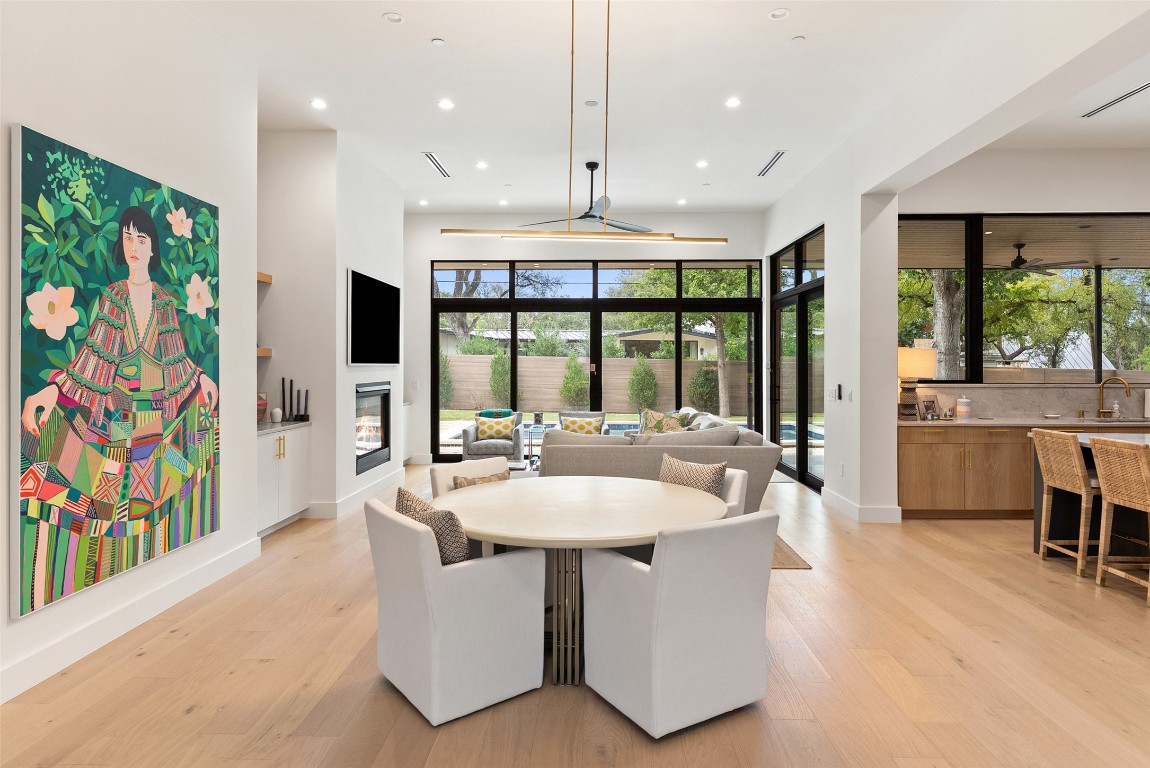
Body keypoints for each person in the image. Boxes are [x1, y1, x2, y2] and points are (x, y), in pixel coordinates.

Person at [18, 205, 219, 612]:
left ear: (153, 248)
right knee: (109, 500)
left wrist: (201, 379)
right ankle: (108, 587)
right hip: (118, 412)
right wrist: (51, 392)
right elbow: (90, 363)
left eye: (141, 239)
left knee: (166, 486)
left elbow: (175, 358)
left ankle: (153, 577)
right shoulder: (113, 297)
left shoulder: (164, 301)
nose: (133, 246)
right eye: (127, 237)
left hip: (156, 415)